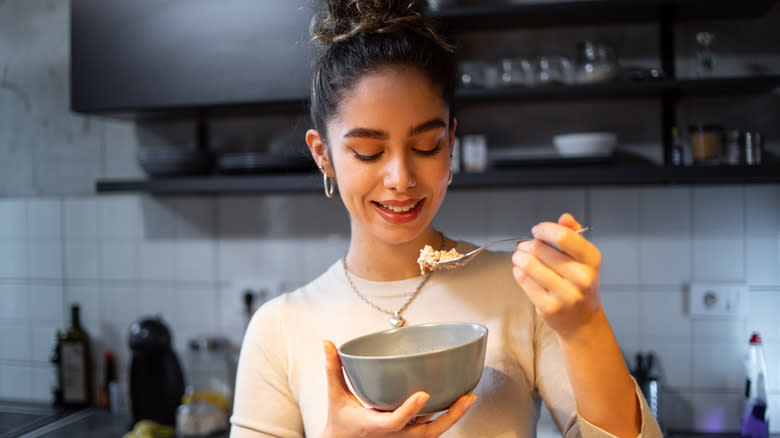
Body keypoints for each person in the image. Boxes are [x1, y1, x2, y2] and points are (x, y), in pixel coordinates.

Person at [230, 1, 663, 437]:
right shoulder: (279, 328)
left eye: (425, 147)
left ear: (451, 142)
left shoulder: (525, 296)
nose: (400, 179)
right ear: (323, 155)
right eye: (368, 152)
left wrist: (585, 325)